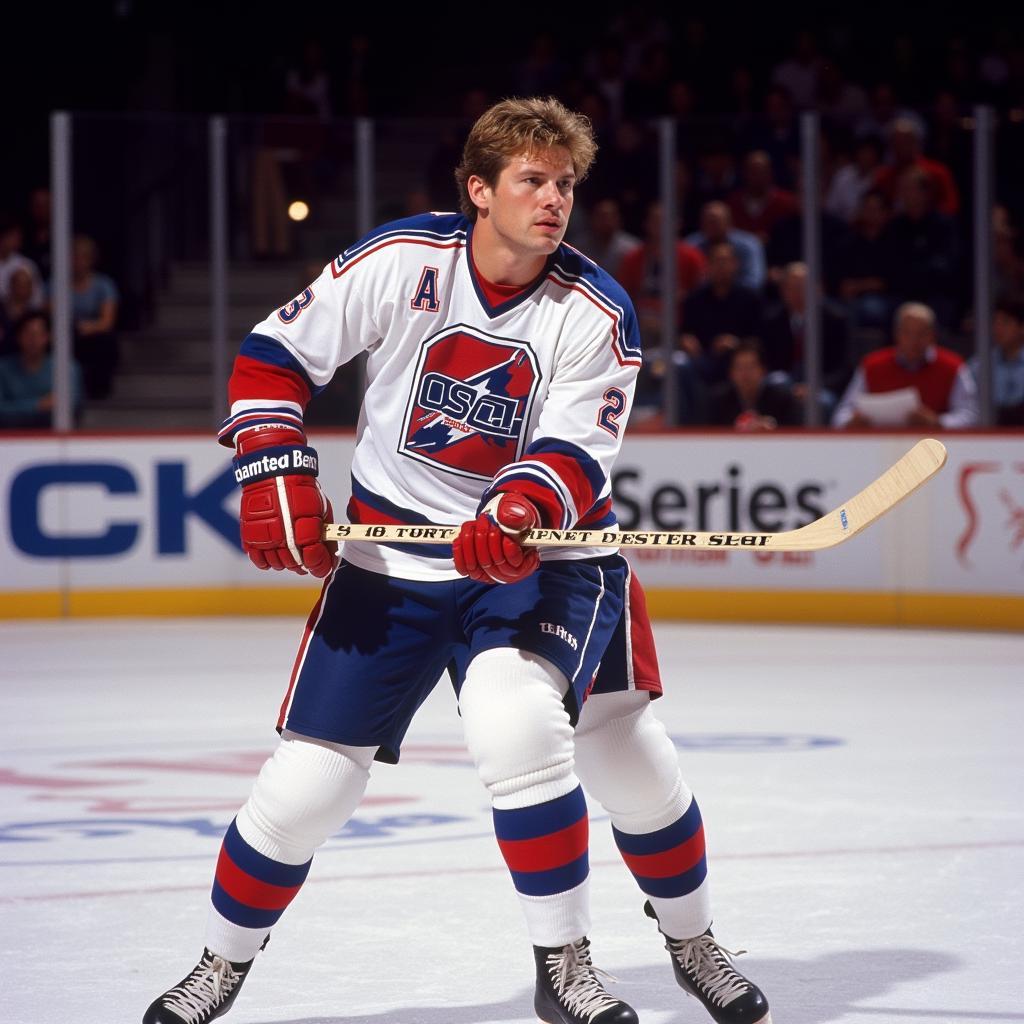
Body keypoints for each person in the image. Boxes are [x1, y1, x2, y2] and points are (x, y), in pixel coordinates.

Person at [143, 97, 770, 1024]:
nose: (554, 198)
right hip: (393, 557)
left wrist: (518, 506)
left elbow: (574, 451)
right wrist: (272, 469)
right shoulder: (401, 260)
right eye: (532, 180)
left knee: (548, 736)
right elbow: (274, 356)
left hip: (544, 561)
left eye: (565, 183)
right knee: (304, 784)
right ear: (479, 189)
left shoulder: (595, 309)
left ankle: (603, 958)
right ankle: (220, 963)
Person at [832, 301, 978, 429]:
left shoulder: (952, 366)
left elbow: (970, 416)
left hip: (935, 447)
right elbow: (840, 417)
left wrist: (938, 422)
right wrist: (852, 422)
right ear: (897, 334)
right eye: (907, 333)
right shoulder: (872, 365)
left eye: (921, 333)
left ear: (933, 335)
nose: (914, 340)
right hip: (878, 447)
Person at [0, 311, 81, 428]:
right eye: (28, 334)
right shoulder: (2, 369)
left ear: (48, 337)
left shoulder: (66, 368)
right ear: (18, 337)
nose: (33, 340)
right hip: (8, 439)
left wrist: (17, 408)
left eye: (39, 334)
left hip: (55, 437)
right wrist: (38, 405)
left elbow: (71, 405)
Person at [708, 338, 802, 429]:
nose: (745, 374)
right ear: (731, 373)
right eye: (740, 367)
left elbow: (794, 433)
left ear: (763, 370)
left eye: (751, 367)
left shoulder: (782, 400)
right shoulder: (718, 401)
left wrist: (772, 428)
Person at [69, 235, 120, 400]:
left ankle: (99, 389)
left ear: (92, 260)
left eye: (83, 257)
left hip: (93, 332)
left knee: (105, 341)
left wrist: (88, 327)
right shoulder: (56, 283)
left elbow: (107, 321)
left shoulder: (104, 284)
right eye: (74, 257)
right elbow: (48, 316)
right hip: (68, 333)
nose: (78, 262)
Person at [969, 296, 1024, 426]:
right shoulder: (979, 366)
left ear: (1022, 327)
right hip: (990, 434)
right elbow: (968, 409)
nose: (998, 328)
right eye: (995, 322)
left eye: (1005, 322)